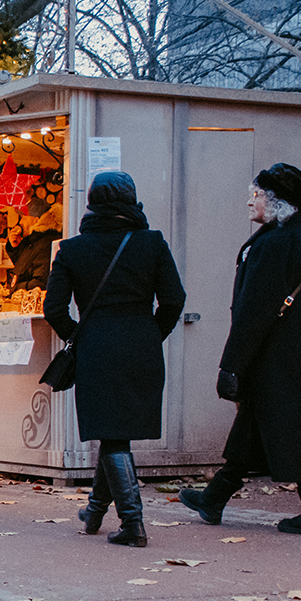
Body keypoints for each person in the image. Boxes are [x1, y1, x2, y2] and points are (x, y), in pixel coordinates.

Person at [179, 163, 301, 536]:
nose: (250, 201)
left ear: (278, 203)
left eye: (258, 195)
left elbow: (252, 314)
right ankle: (214, 499)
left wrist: (231, 366)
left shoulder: (270, 246)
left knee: (291, 432)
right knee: (258, 427)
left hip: (272, 359)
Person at [44, 171, 186, 547]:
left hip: (97, 349)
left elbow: (54, 309)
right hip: (142, 346)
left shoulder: (72, 249)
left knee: (112, 435)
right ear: (132, 200)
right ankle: (93, 512)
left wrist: (79, 337)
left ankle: (133, 524)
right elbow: (174, 300)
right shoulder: (152, 243)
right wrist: (153, 333)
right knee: (116, 432)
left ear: (91, 202)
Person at [8, 206, 64, 292]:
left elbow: (41, 282)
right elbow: (24, 268)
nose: (21, 222)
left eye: (24, 218)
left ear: (36, 220)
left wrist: (17, 288)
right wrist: (14, 247)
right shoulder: (33, 241)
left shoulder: (46, 243)